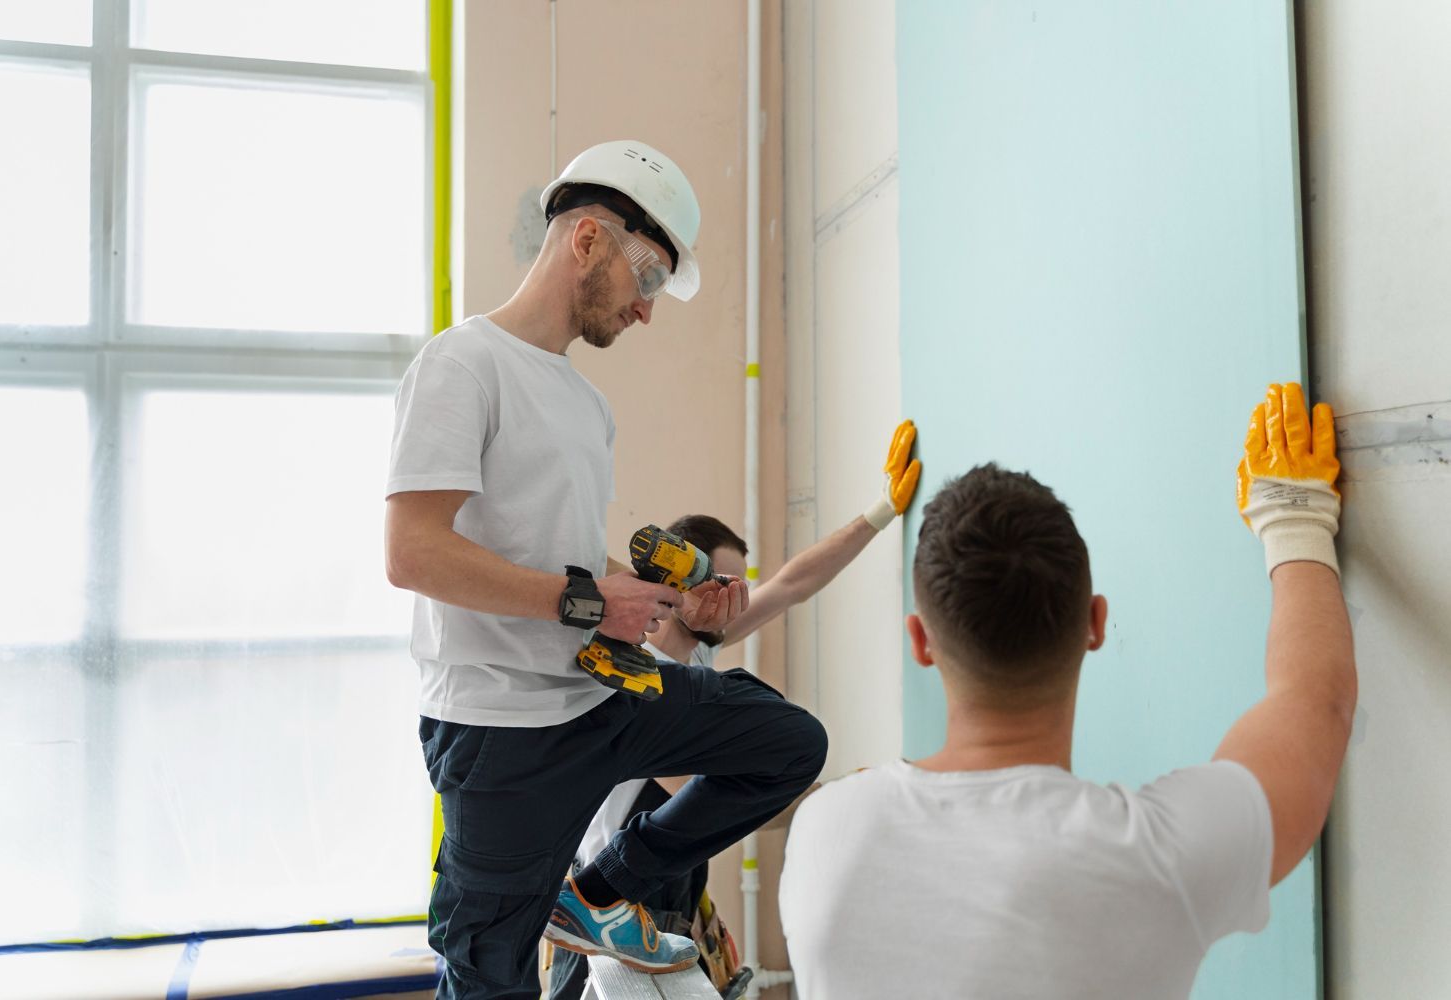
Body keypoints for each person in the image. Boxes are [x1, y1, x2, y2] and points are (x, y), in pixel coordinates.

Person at [383, 139, 828, 1000]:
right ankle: (555, 909)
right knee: (492, 983)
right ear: (587, 240)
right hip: (500, 732)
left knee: (786, 744)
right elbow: (413, 552)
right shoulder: (461, 364)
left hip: (604, 697)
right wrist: (583, 600)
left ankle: (592, 890)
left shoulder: (587, 404)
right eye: (650, 278)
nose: (649, 310)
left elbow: (563, 564)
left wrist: (665, 600)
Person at [779, 383, 1356, 1000]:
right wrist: (1292, 515)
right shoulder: (1154, 860)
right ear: (1096, 623)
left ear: (920, 642)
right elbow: (1313, 701)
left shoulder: (825, 830)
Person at [549, 422, 923, 999]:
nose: (733, 599)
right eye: (719, 584)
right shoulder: (638, 673)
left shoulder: (697, 652)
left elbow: (791, 585)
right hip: (608, 917)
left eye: (735, 587)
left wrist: (879, 511)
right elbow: (699, 791)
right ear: (672, 587)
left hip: (657, 912)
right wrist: (846, 793)